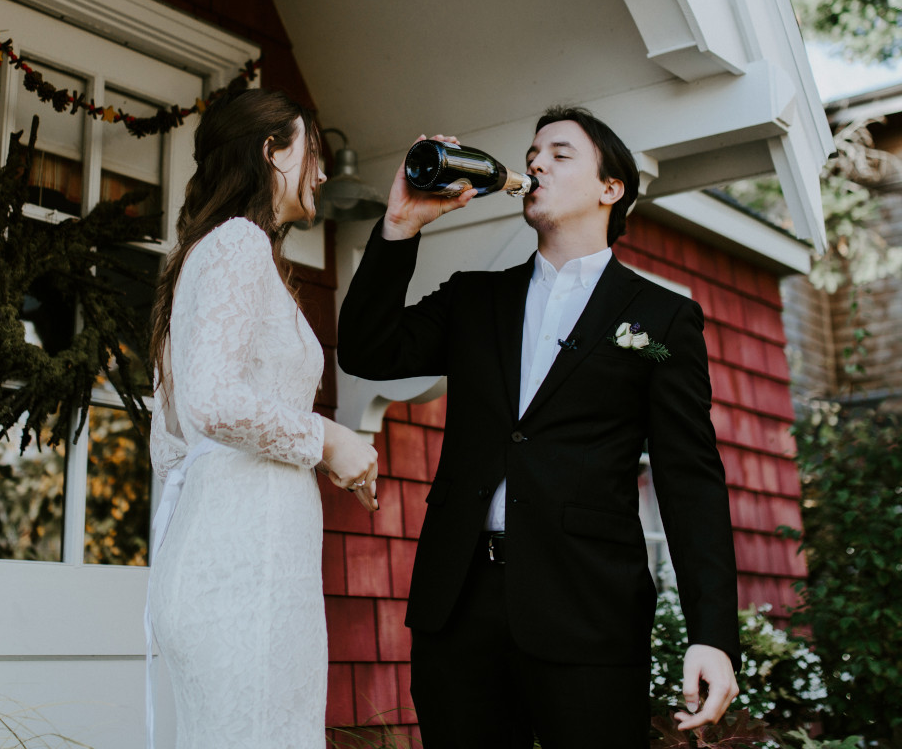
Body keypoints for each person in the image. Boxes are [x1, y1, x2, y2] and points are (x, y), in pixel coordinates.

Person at [337, 107, 740, 749]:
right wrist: (400, 226)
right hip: (458, 607)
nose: (535, 163)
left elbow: (691, 480)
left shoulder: (660, 321)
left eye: (560, 153)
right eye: (532, 153)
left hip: (589, 610)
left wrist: (713, 634)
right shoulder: (474, 299)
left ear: (612, 189)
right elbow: (367, 349)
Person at [146, 85, 379, 749]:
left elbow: (170, 444)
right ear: (273, 151)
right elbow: (211, 401)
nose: (325, 173)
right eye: (314, 152)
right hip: (247, 577)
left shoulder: (200, 257)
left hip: (225, 560)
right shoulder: (239, 244)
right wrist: (325, 439)